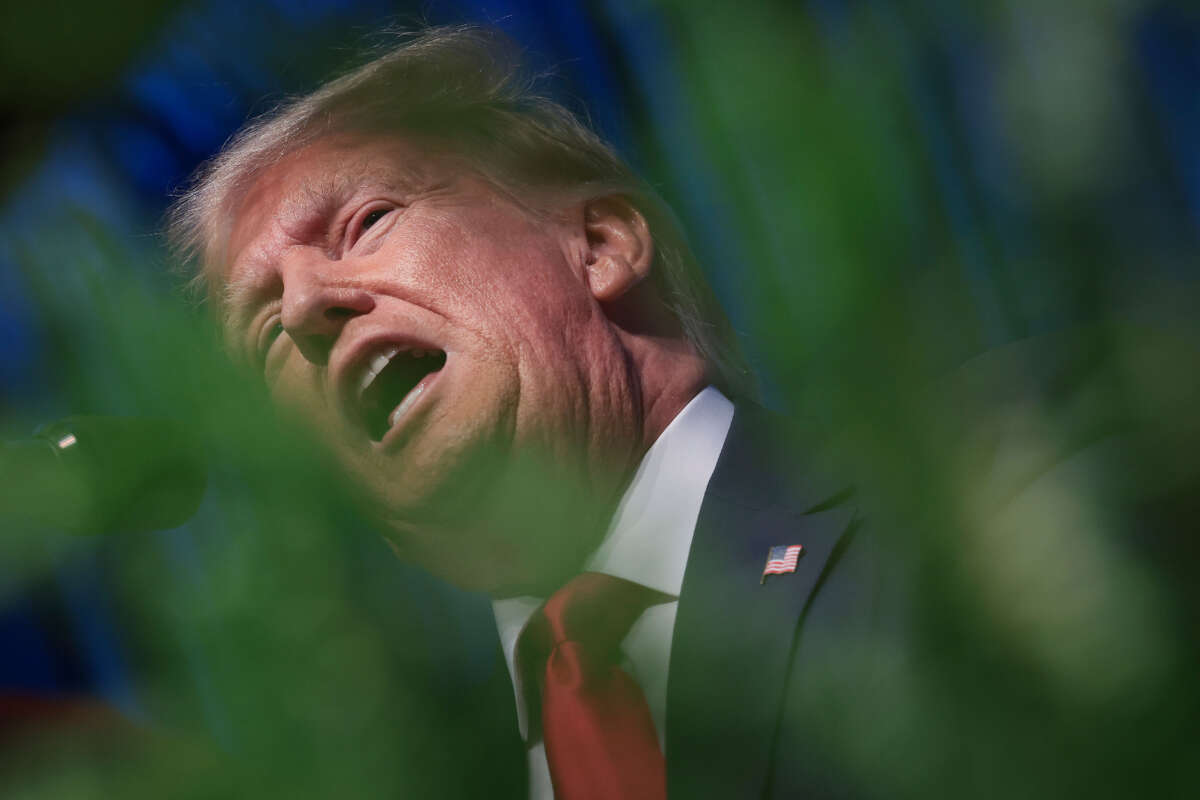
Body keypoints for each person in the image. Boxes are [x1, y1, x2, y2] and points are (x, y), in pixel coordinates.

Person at [168, 25, 875, 799]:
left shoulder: (947, 535)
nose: (304, 309)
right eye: (267, 333)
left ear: (600, 243)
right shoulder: (412, 772)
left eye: (367, 221)